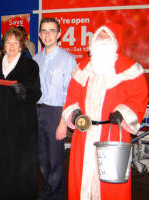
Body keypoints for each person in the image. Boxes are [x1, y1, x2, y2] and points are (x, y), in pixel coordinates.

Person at [56, 23, 148, 200]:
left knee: (110, 185)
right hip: (84, 134)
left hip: (112, 134)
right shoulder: (83, 68)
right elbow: (71, 96)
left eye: (106, 36)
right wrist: (74, 113)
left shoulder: (129, 69)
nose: (102, 40)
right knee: (82, 179)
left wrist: (123, 112)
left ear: (115, 41)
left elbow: (139, 96)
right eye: (100, 36)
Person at [0, 27, 41, 200]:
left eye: (16, 42)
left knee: (23, 166)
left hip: (22, 125)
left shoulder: (30, 65)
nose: (12, 46)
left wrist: (24, 91)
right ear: (3, 45)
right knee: (2, 164)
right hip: (1, 124)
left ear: (22, 45)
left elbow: (37, 93)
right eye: (8, 42)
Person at [33, 18, 76, 200]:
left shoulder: (67, 59)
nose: (47, 34)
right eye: (44, 30)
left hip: (56, 113)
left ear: (59, 35)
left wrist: (63, 123)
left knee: (55, 159)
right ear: (40, 35)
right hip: (36, 112)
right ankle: (48, 190)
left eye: (51, 30)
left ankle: (55, 195)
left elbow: (71, 94)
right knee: (41, 158)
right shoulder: (35, 59)